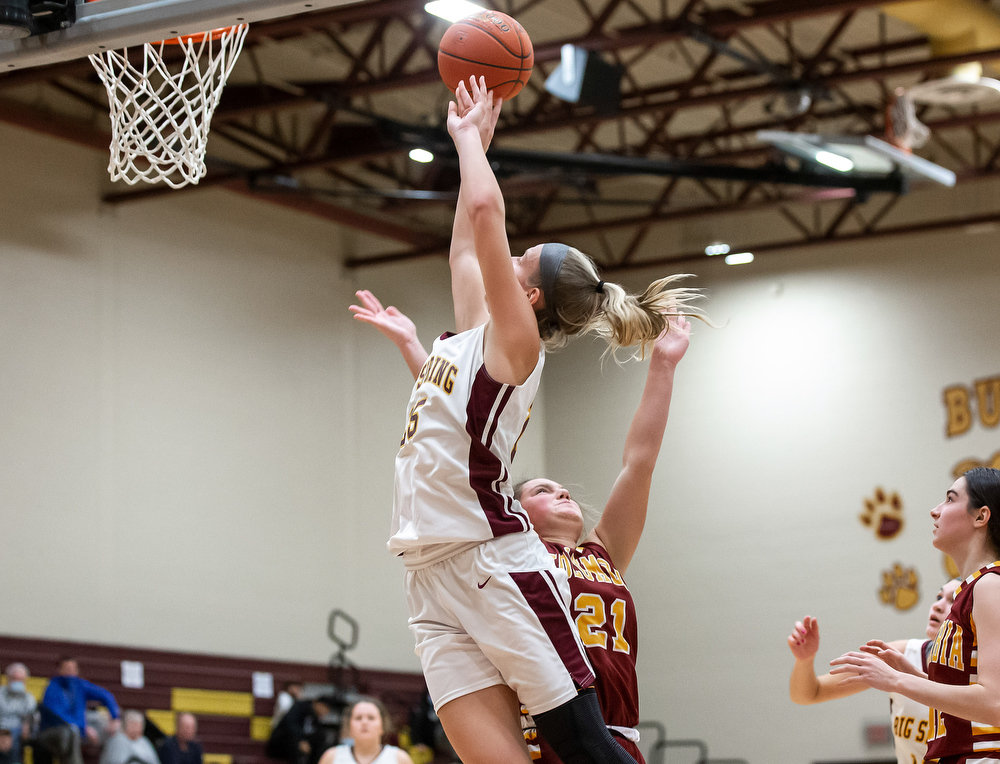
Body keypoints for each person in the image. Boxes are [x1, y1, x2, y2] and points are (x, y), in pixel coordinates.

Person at [352, 76, 698, 764]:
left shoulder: (518, 346)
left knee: (582, 745)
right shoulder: (473, 337)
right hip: (427, 569)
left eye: (520, 261)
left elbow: (486, 214)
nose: (505, 259)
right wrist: (478, 148)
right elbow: (464, 245)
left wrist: (466, 142)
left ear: (530, 296)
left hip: (488, 559)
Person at [353, 293, 691, 764]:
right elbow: (461, 428)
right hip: (535, 734)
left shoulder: (605, 551)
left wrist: (664, 366)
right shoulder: (512, 554)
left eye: (562, 489)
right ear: (516, 510)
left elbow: (640, 462)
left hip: (616, 736)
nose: (562, 492)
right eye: (543, 490)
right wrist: (416, 352)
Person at [830, 468, 1000, 764]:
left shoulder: (989, 586)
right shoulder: (972, 589)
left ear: (980, 516)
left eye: (950, 499)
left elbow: (994, 703)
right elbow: (967, 699)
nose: (935, 511)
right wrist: (913, 675)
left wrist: (896, 680)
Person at [787, 578, 960, 764]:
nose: (938, 606)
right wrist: (804, 661)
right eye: (939, 597)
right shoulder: (900, 654)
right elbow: (809, 694)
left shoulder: (980, 671)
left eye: (952, 600)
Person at [37, 657, 120, 764]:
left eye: (73, 669)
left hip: (78, 731)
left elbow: (106, 696)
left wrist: (115, 717)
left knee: (114, 730)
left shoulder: (80, 685)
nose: (70, 672)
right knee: (72, 732)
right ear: (60, 670)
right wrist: (83, 727)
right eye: (67, 669)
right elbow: (58, 715)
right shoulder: (52, 688)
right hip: (54, 732)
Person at [316, 698, 413, 764]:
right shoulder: (332, 757)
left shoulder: (400, 758)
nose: (364, 722)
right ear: (349, 726)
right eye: (358, 718)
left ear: (383, 726)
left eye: (371, 718)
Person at [266, 696, 335, 764]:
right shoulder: (300, 706)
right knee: (295, 745)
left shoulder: (317, 718)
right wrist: (300, 740)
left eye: (327, 710)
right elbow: (290, 725)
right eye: (323, 707)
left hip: (300, 741)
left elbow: (316, 733)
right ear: (316, 703)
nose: (324, 711)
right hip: (281, 742)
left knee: (321, 741)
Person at [0, 663, 37, 763]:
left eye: (20, 679)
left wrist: (27, 728)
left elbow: (30, 718)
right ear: (8, 678)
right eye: (14, 678)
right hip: (1, 727)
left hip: (17, 731)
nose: (17, 682)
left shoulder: (29, 698)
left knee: (16, 737)